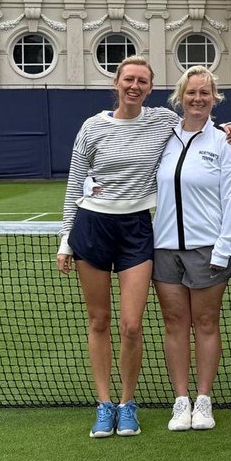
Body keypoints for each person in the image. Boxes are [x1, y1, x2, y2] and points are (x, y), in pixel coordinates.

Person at [57, 55, 175, 438]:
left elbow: (197, 126)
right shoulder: (92, 127)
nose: (134, 86)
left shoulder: (163, 122)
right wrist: (65, 240)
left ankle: (128, 404)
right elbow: (75, 184)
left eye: (142, 81)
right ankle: (104, 404)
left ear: (150, 88)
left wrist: (229, 131)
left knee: (132, 325)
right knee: (99, 321)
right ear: (116, 84)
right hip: (92, 227)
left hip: (137, 230)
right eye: (128, 79)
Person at [152, 65, 231, 431]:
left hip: (209, 249)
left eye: (205, 93)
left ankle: (203, 400)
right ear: (180, 96)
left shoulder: (225, 140)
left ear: (214, 98)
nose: (198, 98)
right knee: (175, 324)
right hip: (164, 248)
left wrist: (224, 249)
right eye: (192, 92)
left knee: (206, 323)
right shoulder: (164, 137)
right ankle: (181, 401)